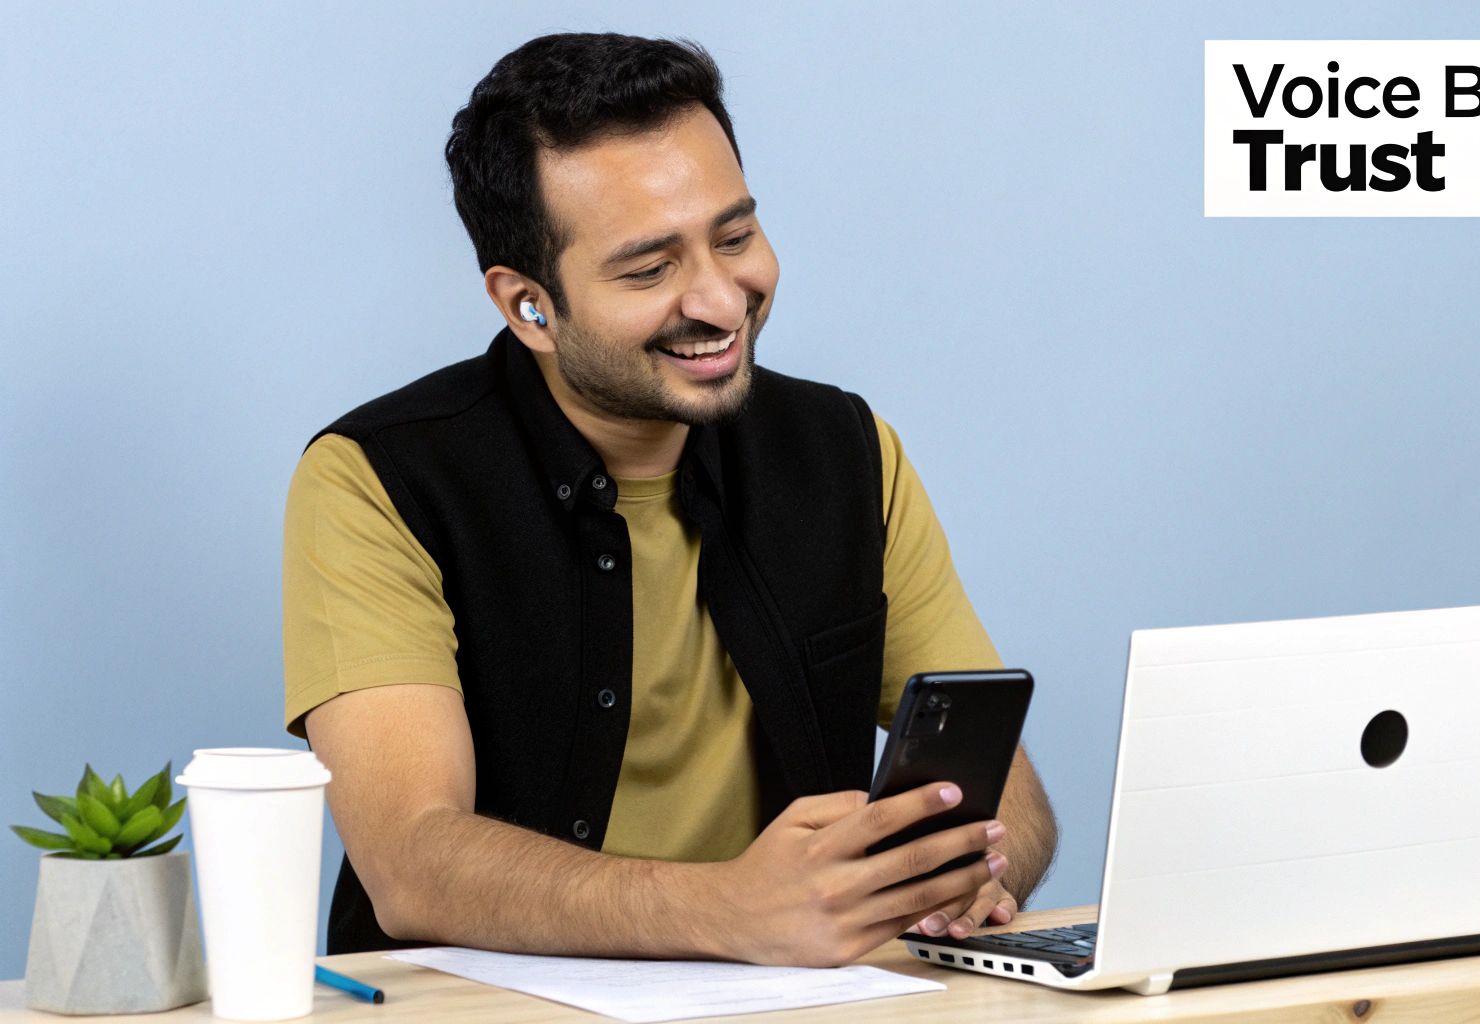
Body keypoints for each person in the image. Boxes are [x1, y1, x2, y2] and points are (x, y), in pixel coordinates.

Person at [281, 31, 1057, 967]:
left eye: (734, 236)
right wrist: (722, 909)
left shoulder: (849, 450)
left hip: (804, 1001)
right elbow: (409, 859)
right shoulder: (376, 479)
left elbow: (999, 774)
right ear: (528, 305)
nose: (723, 301)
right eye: (649, 270)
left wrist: (980, 866)